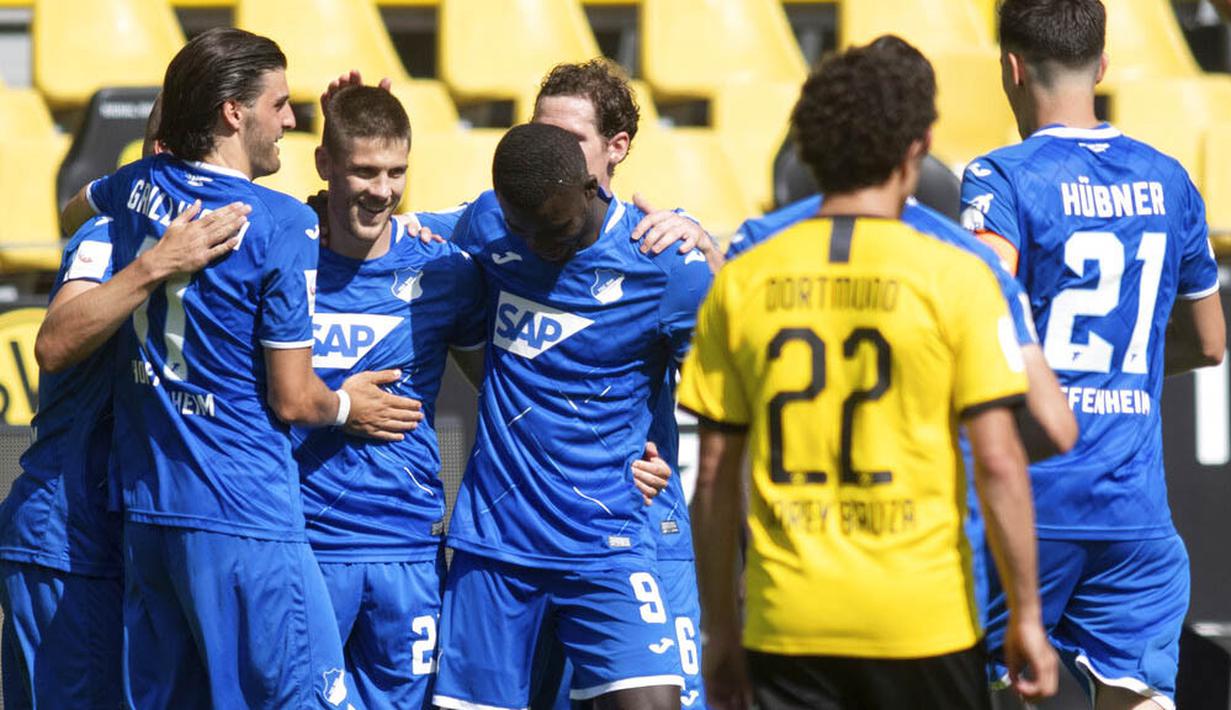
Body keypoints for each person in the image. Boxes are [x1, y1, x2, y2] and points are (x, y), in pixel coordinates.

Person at [679, 36, 1058, 709]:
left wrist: (720, 630)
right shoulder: (958, 276)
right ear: (915, 148)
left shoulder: (742, 280)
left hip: (788, 621)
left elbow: (712, 477)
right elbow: (998, 462)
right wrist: (1026, 616)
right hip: (925, 621)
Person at [58, 27, 422, 708]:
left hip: (151, 512)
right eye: (279, 104)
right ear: (233, 111)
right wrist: (346, 406)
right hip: (245, 513)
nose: (289, 118)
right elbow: (293, 400)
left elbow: (74, 208)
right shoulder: (282, 222)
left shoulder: (138, 186)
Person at [960, 1, 1225, 707]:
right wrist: (1122, 370)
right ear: (1101, 65)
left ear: (1010, 69)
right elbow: (1208, 342)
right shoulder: (1170, 180)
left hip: (1030, 506)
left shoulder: (1001, 177)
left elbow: (982, 311)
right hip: (1134, 512)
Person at [429, 122, 711, 710]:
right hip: (496, 542)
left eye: (553, 229)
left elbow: (728, 389)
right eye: (521, 229)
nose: (536, 246)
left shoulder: (663, 262)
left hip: (606, 541)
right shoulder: (488, 225)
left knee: (657, 703)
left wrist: (711, 248)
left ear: (591, 187)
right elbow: (392, 236)